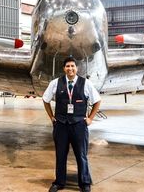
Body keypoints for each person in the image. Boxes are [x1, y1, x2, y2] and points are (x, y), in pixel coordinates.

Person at [43, 56, 101, 192]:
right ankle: (59, 182)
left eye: (72, 66)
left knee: (81, 154)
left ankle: (85, 183)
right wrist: (52, 117)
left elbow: (97, 101)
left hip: (79, 125)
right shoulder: (56, 83)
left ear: (77, 68)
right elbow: (45, 100)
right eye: (67, 66)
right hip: (61, 125)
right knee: (60, 155)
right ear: (64, 69)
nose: (70, 68)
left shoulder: (86, 83)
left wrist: (90, 118)